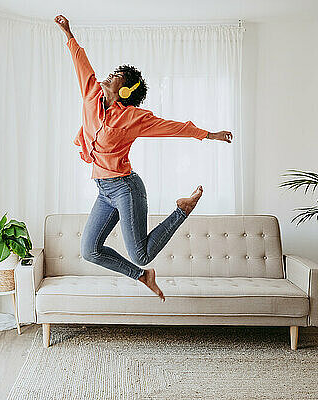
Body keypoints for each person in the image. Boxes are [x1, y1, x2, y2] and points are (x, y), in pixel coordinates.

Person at [54, 15, 233, 302]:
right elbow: (81, 64)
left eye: (116, 77)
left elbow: (173, 127)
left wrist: (209, 134)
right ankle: (142, 276)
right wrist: (68, 33)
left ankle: (182, 210)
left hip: (126, 188)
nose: (108, 76)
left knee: (141, 253)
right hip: (104, 191)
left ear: (125, 90)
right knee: (90, 250)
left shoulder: (133, 118)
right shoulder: (91, 96)